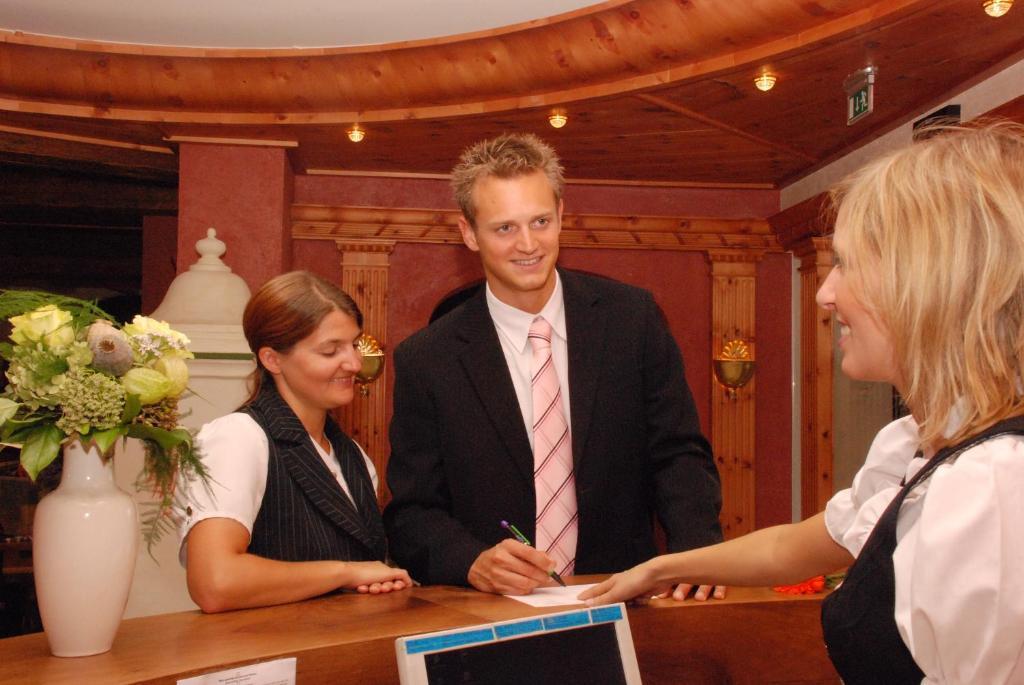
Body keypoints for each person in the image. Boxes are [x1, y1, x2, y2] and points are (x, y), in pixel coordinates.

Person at [580, 123, 1024, 684]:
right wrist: (660, 568)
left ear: (931, 283)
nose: (824, 292)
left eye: (848, 264)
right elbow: (797, 546)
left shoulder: (989, 483)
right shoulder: (920, 442)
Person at [384, 133, 724, 598]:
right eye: (504, 228)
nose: (528, 244)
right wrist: (471, 562)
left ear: (562, 216)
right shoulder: (427, 359)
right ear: (468, 233)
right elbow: (412, 513)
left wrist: (696, 548)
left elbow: (678, 454)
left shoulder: (633, 319)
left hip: (625, 598)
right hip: (494, 617)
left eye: (540, 221)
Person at [178, 271, 411, 613]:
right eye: (331, 350)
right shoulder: (238, 439)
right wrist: (344, 573)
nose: (355, 363)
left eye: (354, 345)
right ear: (272, 359)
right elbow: (214, 581)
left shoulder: (352, 454)